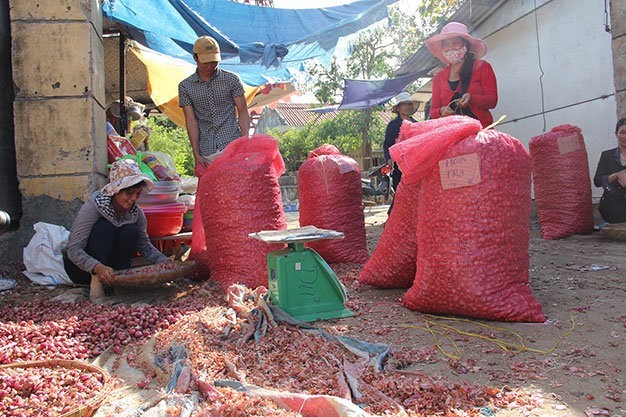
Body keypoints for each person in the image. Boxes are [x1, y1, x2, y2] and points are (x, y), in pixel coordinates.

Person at [63, 159, 169, 299]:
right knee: (105, 227)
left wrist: (164, 261)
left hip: (113, 271)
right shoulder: (94, 207)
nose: (133, 198)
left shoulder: (136, 214)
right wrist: (97, 268)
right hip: (84, 270)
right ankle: (96, 282)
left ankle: (119, 280)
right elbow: (74, 249)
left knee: (131, 231)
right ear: (116, 191)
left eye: (137, 193)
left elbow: (144, 245)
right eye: (129, 193)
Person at [178, 36, 251, 175]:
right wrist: (196, 153)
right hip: (206, 150)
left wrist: (244, 142)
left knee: (236, 190)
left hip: (232, 146)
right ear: (195, 58)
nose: (210, 66)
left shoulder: (231, 80)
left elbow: (242, 110)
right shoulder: (185, 87)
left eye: (214, 62)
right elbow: (191, 120)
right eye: (206, 63)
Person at [425, 22, 498, 128]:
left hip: (480, 131)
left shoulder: (483, 67)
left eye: (455, 43)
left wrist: (471, 98)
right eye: (445, 44)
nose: (450, 47)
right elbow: (433, 110)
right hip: (450, 133)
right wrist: (441, 111)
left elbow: (492, 100)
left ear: (466, 45)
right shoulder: (439, 78)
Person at [384, 92, 418, 193]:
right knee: (400, 194)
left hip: (414, 165)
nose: (407, 107)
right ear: (398, 108)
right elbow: (387, 145)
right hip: (399, 165)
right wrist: (389, 159)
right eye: (404, 104)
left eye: (409, 104)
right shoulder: (393, 125)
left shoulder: (416, 124)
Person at [593, 118, 626, 224]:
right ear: (616, 134)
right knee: (619, 212)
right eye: (622, 132)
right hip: (613, 201)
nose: (625, 137)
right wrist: (614, 176)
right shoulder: (607, 156)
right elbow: (597, 181)